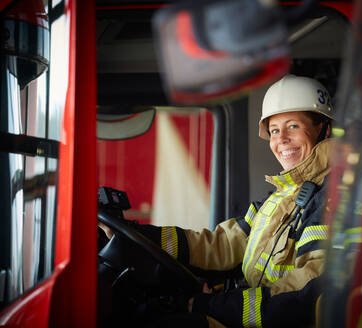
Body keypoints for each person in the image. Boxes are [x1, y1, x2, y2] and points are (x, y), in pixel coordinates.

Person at [104, 74, 335, 327]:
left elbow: (306, 294)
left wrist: (209, 305)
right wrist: (140, 236)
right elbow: (222, 244)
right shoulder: (281, 197)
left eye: (293, 126)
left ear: (323, 128)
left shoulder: (336, 199)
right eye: (274, 130)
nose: (281, 140)